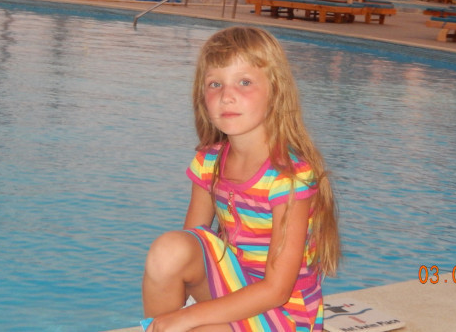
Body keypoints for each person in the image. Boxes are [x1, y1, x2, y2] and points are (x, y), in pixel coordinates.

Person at [142, 26, 340, 332]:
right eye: (215, 84)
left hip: (285, 315)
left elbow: (277, 290)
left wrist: (185, 317)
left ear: (275, 92)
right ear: (202, 97)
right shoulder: (209, 162)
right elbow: (193, 245)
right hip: (232, 287)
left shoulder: (288, 177)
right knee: (169, 250)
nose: (227, 96)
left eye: (244, 82)